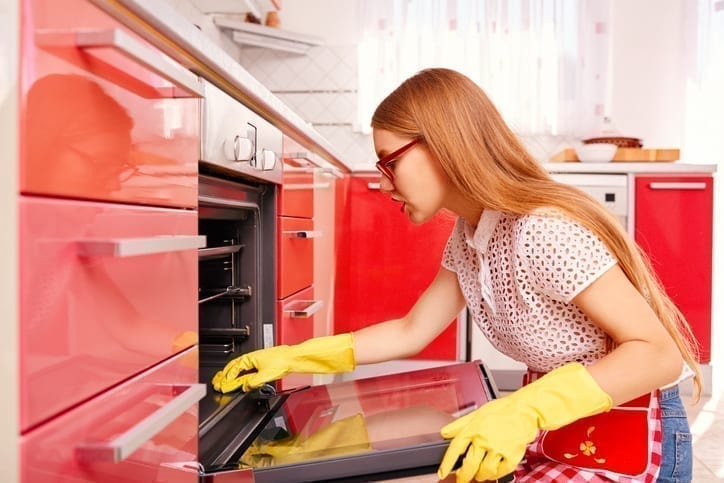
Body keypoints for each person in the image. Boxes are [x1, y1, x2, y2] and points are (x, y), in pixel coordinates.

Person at [213, 68, 700, 482]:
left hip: (626, 427)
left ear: (444, 145)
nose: (383, 183)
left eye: (390, 162)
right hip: (562, 421)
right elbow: (413, 330)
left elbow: (658, 354)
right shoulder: (471, 235)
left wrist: (526, 408)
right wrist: (296, 356)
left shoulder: (542, 230)